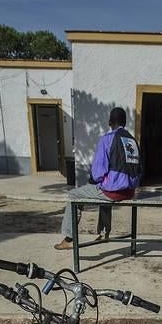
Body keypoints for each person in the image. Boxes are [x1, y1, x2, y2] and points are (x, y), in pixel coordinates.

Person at [55, 106, 141, 249]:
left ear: (110, 122)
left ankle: (69, 239)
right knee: (102, 189)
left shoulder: (107, 139)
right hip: (130, 192)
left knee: (73, 195)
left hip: (113, 193)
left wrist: (96, 180)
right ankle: (104, 232)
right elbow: (139, 170)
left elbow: (98, 173)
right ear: (124, 122)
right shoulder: (133, 141)